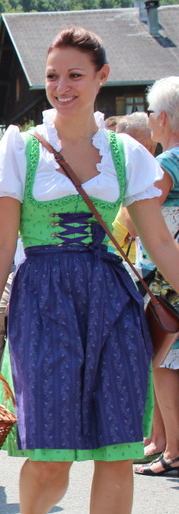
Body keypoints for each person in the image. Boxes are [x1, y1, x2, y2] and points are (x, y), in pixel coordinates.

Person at [0, 28, 179, 514]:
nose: (61, 86)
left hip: (111, 302)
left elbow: (160, 243)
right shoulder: (20, 149)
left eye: (75, 75)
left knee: (117, 451)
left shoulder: (126, 154)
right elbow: (0, 247)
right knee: (52, 455)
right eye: (53, 75)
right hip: (43, 302)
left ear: (101, 78)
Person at [132, 76, 179, 475]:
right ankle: (159, 440)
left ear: (162, 118)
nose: (147, 119)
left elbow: (138, 219)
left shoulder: (166, 163)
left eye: (149, 112)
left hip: (166, 273)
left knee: (164, 360)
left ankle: (172, 450)